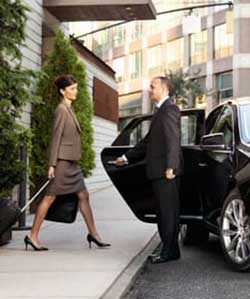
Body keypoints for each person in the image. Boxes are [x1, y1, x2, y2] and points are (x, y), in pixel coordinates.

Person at [25, 74, 110, 251]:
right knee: (49, 197)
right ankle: (32, 236)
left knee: (84, 196)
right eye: (72, 89)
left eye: (76, 88)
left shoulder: (69, 109)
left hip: (72, 164)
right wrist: (51, 164)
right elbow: (55, 138)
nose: (75, 91)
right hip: (62, 162)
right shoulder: (61, 110)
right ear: (63, 91)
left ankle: (93, 234)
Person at [116, 76, 183, 264]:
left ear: (163, 88)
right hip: (159, 171)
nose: (149, 90)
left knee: (167, 213)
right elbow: (148, 141)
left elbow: (173, 139)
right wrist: (126, 157)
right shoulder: (160, 111)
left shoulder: (169, 109)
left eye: (152, 87)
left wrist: (171, 166)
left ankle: (168, 252)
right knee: (163, 212)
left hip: (166, 171)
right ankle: (171, 249)